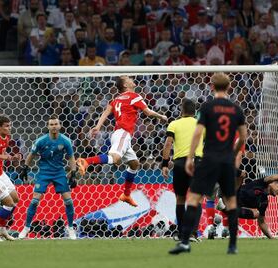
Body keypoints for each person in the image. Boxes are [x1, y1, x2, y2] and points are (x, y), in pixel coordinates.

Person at [169, 73, 246, 255]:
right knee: (231, 201)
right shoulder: (236, 109)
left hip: (209, 159)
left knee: (194, 198)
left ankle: (185, 241)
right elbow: (243, 137)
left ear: (212, 87)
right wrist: (232, 154)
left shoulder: (207, 107)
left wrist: (189, 157)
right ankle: (233, 245)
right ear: (229, 87)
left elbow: (197, 133)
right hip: (227, 160)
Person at [76, 76, 167, 207]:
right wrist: (161, 116)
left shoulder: (116, 99)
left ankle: (126, 194)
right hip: (123, 133)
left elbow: (106, 113)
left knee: (134, 164)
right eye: (128, 78)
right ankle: (86, 161)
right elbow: (147, 112)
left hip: (120, 134)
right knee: (115, 158)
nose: (131, 79)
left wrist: (98, 126)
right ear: (125, 85)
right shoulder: (134, 96)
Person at [19, 115, 77, 239]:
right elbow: (31, 154)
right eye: (51, 124)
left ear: (60, 126)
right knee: (35, 199)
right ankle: (26, 227)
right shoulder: (41, 141)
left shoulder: (65, 141)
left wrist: (73, 173)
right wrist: (25, 167)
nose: (54, 126)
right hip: (44, 173)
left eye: (56, 124)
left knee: (68, 200)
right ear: (48, 126)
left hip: (59, 173)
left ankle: (71, 228)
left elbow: (71, 157)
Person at [161, 98, 203, 241]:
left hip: (179, 163)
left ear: (182, 110)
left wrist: (165, 164)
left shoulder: (174, 124)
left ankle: (181, 233)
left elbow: (168, 144)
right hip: (197, 162)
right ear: (194, 111)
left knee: (180, 198)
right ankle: (193, 233)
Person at [234, 174, 278, 239]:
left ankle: (224, 208)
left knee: (256, 214)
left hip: (234, 206)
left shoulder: (264, 202)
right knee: (241, 175)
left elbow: (261, 222)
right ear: (271, 183)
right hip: (233, 194)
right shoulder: (261, 183)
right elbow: (271, 177)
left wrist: (271, 238)